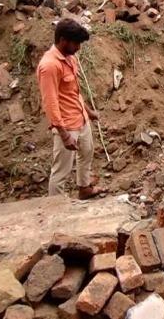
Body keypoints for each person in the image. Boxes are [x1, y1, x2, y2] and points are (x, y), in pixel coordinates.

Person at [37, 19, 104, 199]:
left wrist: (88, 112)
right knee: (61, 171)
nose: (78, 48)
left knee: (87, 154)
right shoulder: (49, 66)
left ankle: (84, 188)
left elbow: (73, 92)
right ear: (63, 40)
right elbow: (50, 103)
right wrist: (63, 134)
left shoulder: (70, 58)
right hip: (66, 126)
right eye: (76, 43)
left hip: (81, 119)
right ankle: (56, 209)